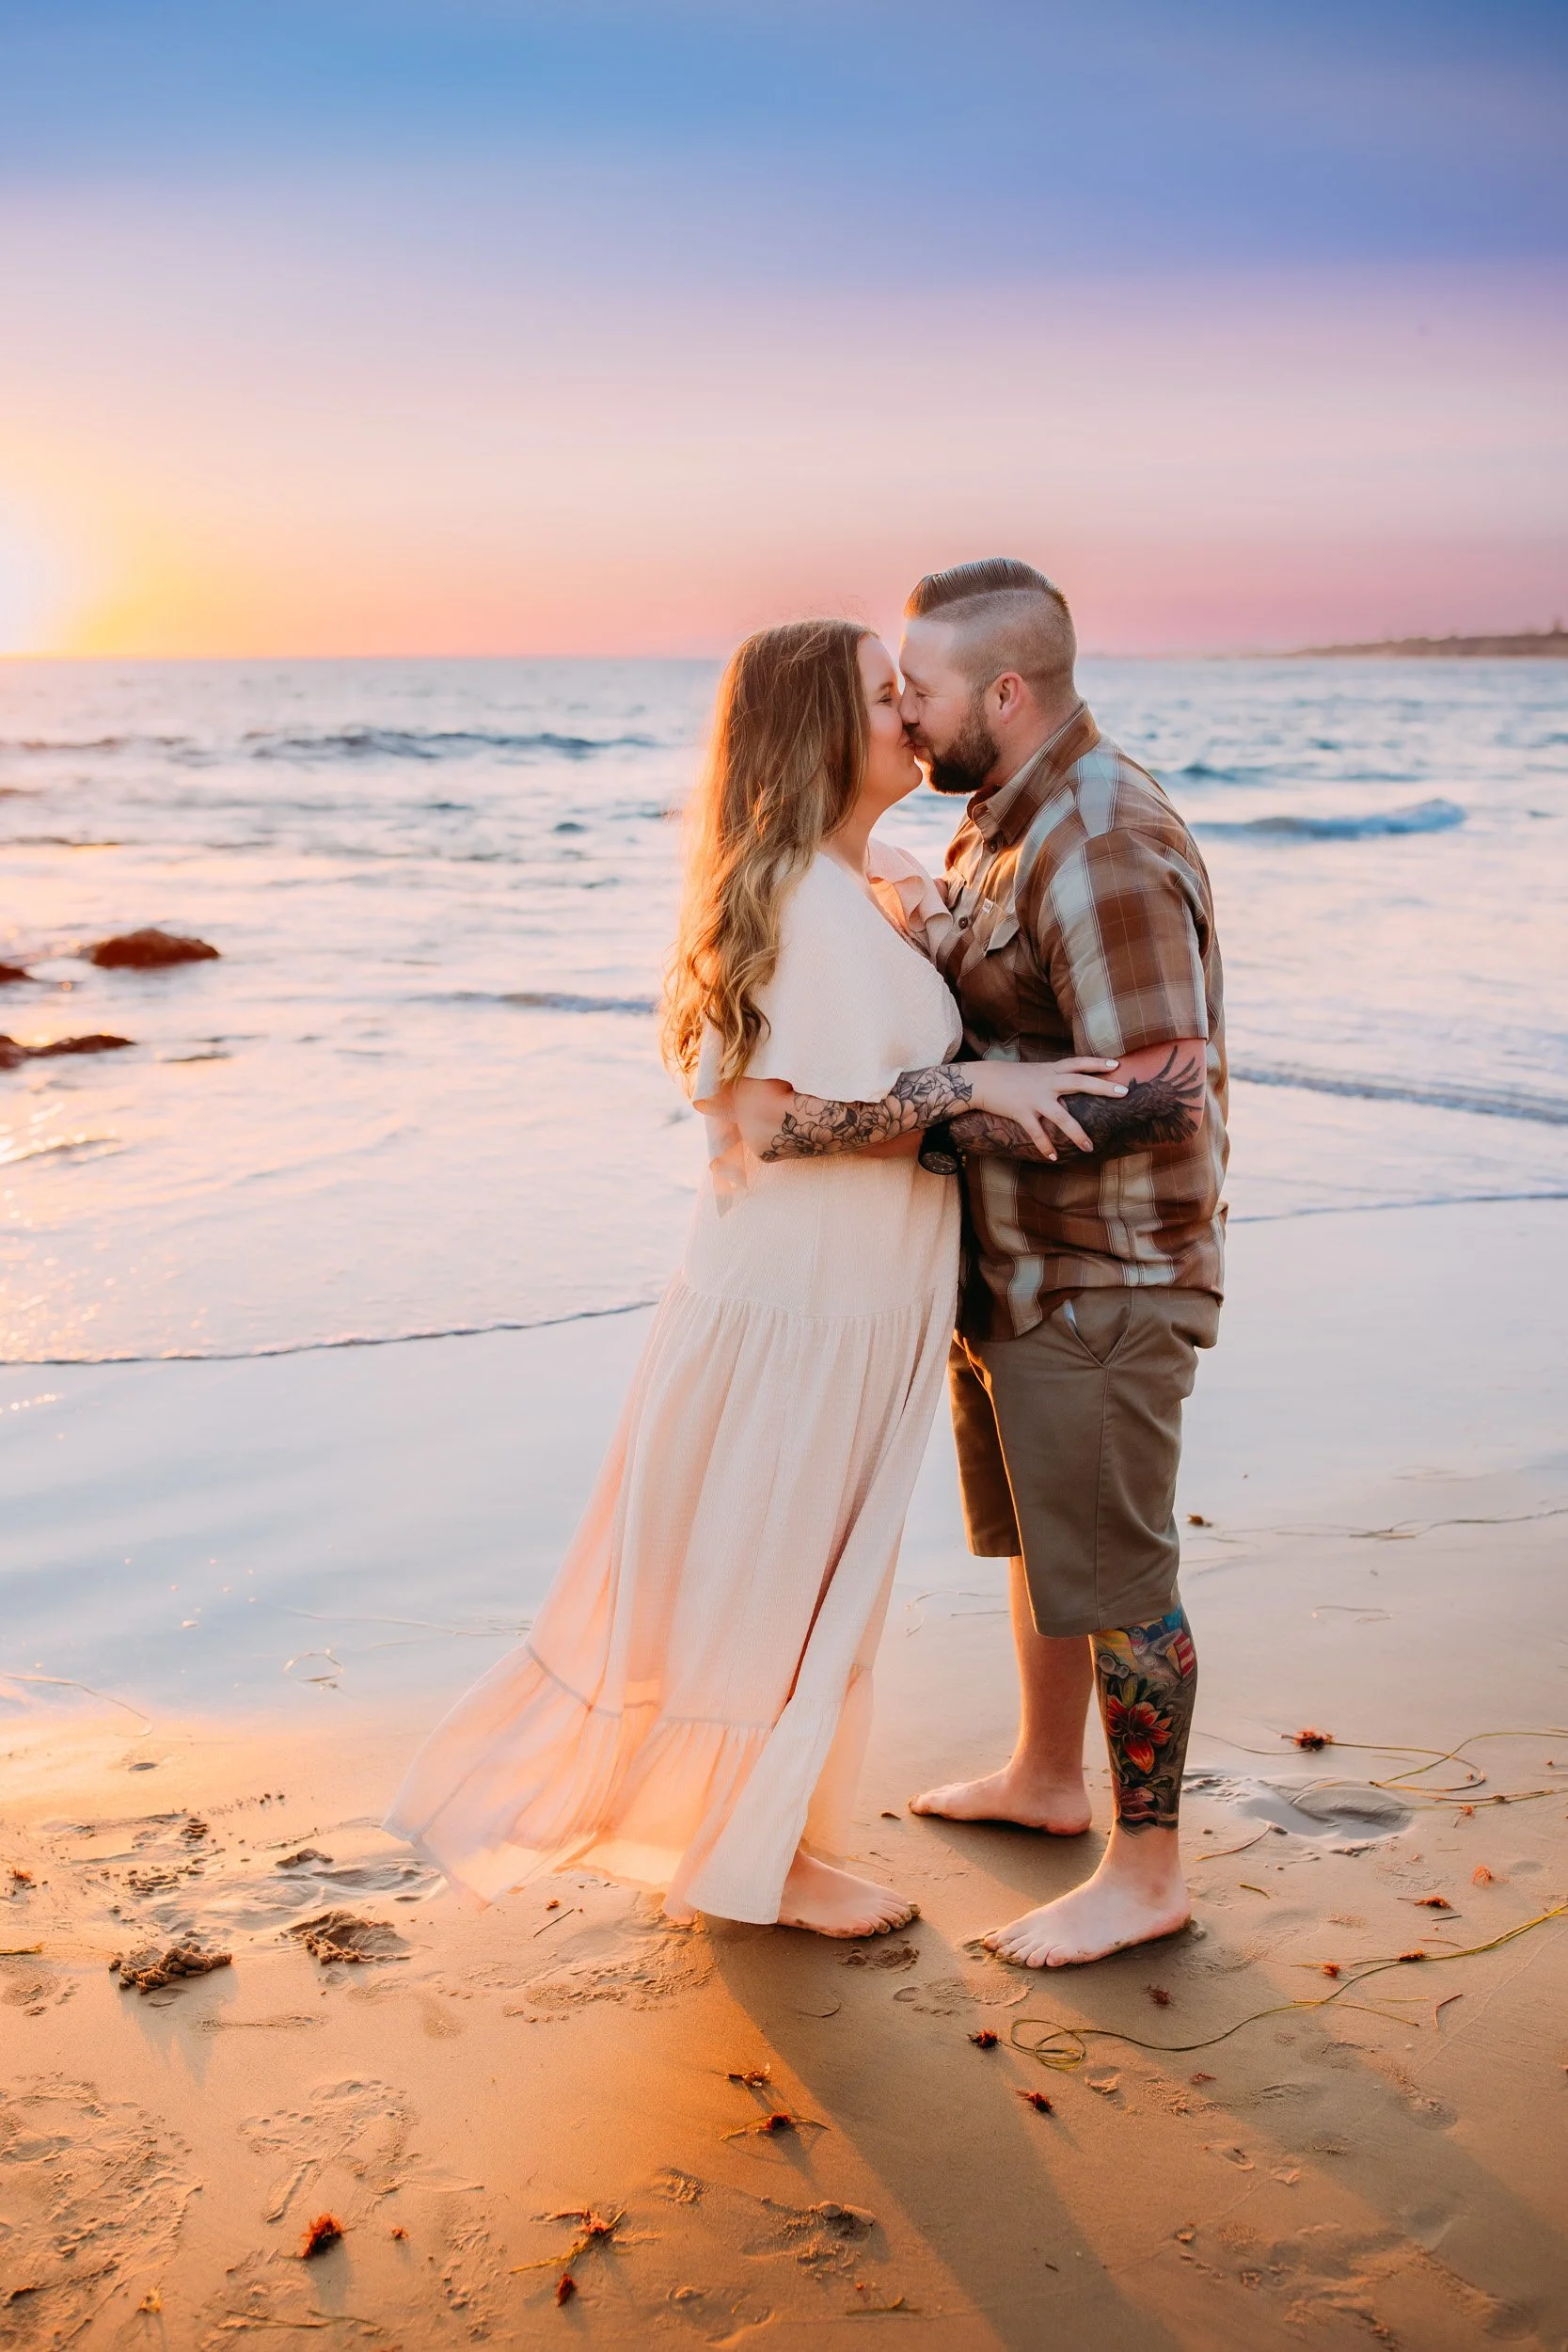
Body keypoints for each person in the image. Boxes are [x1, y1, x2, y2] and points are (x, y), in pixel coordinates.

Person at [386, 618, 1125, 1939]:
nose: (911, 714)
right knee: (777, 1578)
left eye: (911, 691)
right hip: (798, 1305)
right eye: (883, 696)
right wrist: (978, 1086)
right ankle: (756, 1864)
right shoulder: (790, 894)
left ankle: (759, 1842)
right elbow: (773, 1121)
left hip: (851, 1299)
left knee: (805, 1578)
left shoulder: (854, 883)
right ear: (811, 734)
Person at [898, 558, 1228, 1968]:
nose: (899, 714)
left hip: (1105, 1272)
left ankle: (1145, 1869)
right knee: (1046, 1542)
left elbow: (1166, 1084)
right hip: (1019, 1265)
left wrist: (952, 1104)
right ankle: (1043, 1784)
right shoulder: (996, 821)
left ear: (1005, 690)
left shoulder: (1094, 837)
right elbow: (1016, 1004)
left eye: (916, 691)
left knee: (1118, 1574)